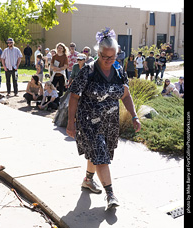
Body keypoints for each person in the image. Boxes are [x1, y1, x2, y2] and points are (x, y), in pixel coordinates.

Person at [66, 28, 141, 209]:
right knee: (100, 155)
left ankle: (88, 180)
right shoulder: (88, 71)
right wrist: (70, 122)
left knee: (97, 153)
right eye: (105, 57)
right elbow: (74, 96)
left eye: (112, 57)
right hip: (89, 122)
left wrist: (134, 116)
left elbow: (125, 95)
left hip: (110, 123)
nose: (108, 60)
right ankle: (111, 195)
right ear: (98, 53)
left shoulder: (118, 71)